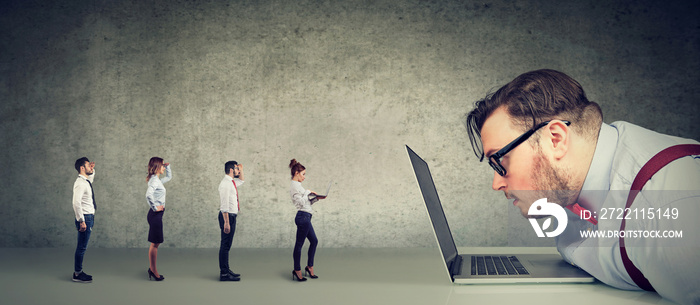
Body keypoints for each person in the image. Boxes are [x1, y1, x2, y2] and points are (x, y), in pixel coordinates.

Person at [465, 69, 700, 305]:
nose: (497, 184)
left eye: (499, 159)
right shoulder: (566, 188)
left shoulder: (668, 209)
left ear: (555, 139)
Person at [289, 159, 324, 281]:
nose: (304, 177)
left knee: (314, 241)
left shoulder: (298, 186)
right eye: (303, 174)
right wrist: (308, 192)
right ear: (296, 173)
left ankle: (309, 267)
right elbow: (300, 202)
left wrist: (315, 198)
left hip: (306, 216)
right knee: (299, 245)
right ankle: (297, 270)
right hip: (302, 217)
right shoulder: (294, 186)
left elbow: (305, 202)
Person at [218, 160, 245, 282]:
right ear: (231, 170)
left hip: (232, 216)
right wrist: (227, 222)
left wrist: (241, 169)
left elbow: (242, 180)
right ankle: (224, 273)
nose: (238, 171)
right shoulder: (225, 184)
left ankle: (227, 269)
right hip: (227, 217)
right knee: (225, 245)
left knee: (227, 245)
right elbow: (224, 205)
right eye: (236, 169)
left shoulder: (231, 182)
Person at [145, 157, 172, 281]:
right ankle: (153, 270)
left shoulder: (156, 179)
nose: (163, 167)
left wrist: (168, 167)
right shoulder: (155, 181)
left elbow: (168, 178)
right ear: (156, 167)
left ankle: (152, 268)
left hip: (156, 215)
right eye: (161, 166)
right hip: (155, 215)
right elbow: (148, 195)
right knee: (155, 244)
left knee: (156, 243)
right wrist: (155, 208)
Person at [72, 157, 96, 283]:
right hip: (85, 218)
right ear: (82, 168)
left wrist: (92, 170)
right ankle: (77, 273)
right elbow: (76, 203)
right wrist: (81, 220)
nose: (90, 167)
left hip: (88, 217)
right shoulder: (80, 183)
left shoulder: (85, 181)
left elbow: (90, 180)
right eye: (88, 165)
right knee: (81, 247)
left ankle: (78, 271)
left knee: (82, 246)